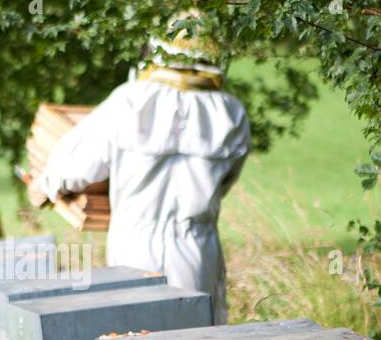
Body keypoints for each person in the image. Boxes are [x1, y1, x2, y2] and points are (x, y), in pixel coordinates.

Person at [28, 16, 251, 324]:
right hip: (198, 250)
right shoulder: (231, 112)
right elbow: (225, 183)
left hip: (134, 248)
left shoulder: (130, 101)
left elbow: (71, 167)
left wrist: (43, 185)